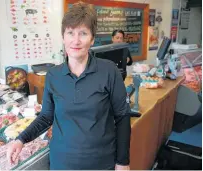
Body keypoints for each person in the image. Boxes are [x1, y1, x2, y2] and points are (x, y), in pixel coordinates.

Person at [7, 2, 131, 170]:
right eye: (70, 33)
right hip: (62, 162)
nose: (76, 40)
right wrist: (21, 139)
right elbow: (45, 117)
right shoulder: (53, 75)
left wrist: (123, 162)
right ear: (63, 36)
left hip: (101, 163)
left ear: (92, 38)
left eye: (83, 33)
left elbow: (123, 117)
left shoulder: (109, 71)